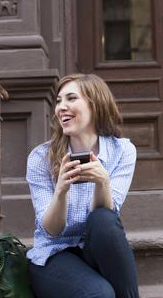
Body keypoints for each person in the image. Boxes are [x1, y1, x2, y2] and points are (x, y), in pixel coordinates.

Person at [25, 73, 139, 298]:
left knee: (104, 218)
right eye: (58, 101)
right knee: (101, 293)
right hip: (53, 255)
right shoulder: (41, 158)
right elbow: (51, 230)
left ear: (94, 105)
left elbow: (107, 220)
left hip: (94, 250)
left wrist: (102, 181)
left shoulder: (122, 151)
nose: (61, 107)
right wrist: (61, 191)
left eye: (71, 98)